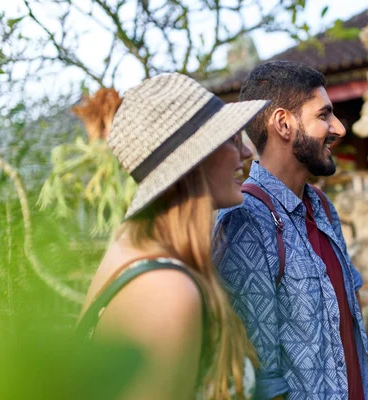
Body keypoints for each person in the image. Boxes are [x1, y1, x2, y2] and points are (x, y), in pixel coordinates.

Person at [77, 73, 270, 400]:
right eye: (231, 139)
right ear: (194, 162)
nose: (247, 153)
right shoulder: (167, 290)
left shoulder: (133, 248)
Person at [213, 61, 368, 400]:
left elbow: (350, 317)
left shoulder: (321, 206)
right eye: (323, 115)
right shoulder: (245, 221)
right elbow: (261, 378)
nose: (339, 128)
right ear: (283, 124)